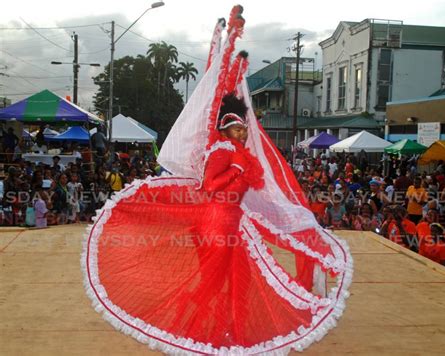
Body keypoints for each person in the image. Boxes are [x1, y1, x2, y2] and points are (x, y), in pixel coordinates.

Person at [81, 9, 351, 354]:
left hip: (232, 222)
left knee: (231, 280)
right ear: (224, 128)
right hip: (217, 220)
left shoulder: (236, 150)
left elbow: (244, 184)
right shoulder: (223, 149)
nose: (242, 132)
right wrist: (238, 169)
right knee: (215, 277)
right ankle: (198, 324)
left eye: (243, 128)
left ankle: (222, 326)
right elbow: (211, 186)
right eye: (237, 127)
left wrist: (232, 57)